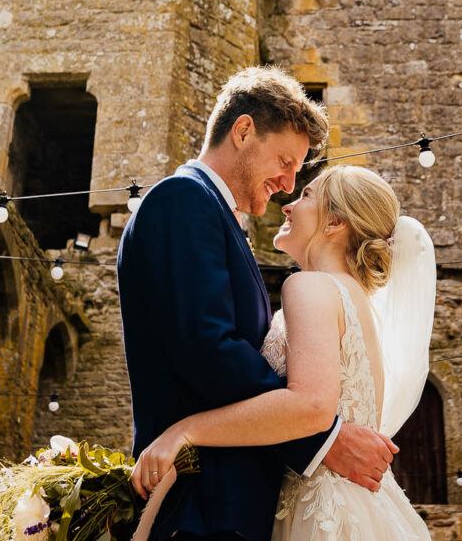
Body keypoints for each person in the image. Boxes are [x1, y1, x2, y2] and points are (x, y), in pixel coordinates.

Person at [117, 67, 408, 541]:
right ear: (244, 131)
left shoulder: (217, 215)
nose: (290, 183)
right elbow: (208, 349)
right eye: (286, 160)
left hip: (235, 502)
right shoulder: (183, 199)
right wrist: (323, 438)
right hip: (203, 500)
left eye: (300, 173)